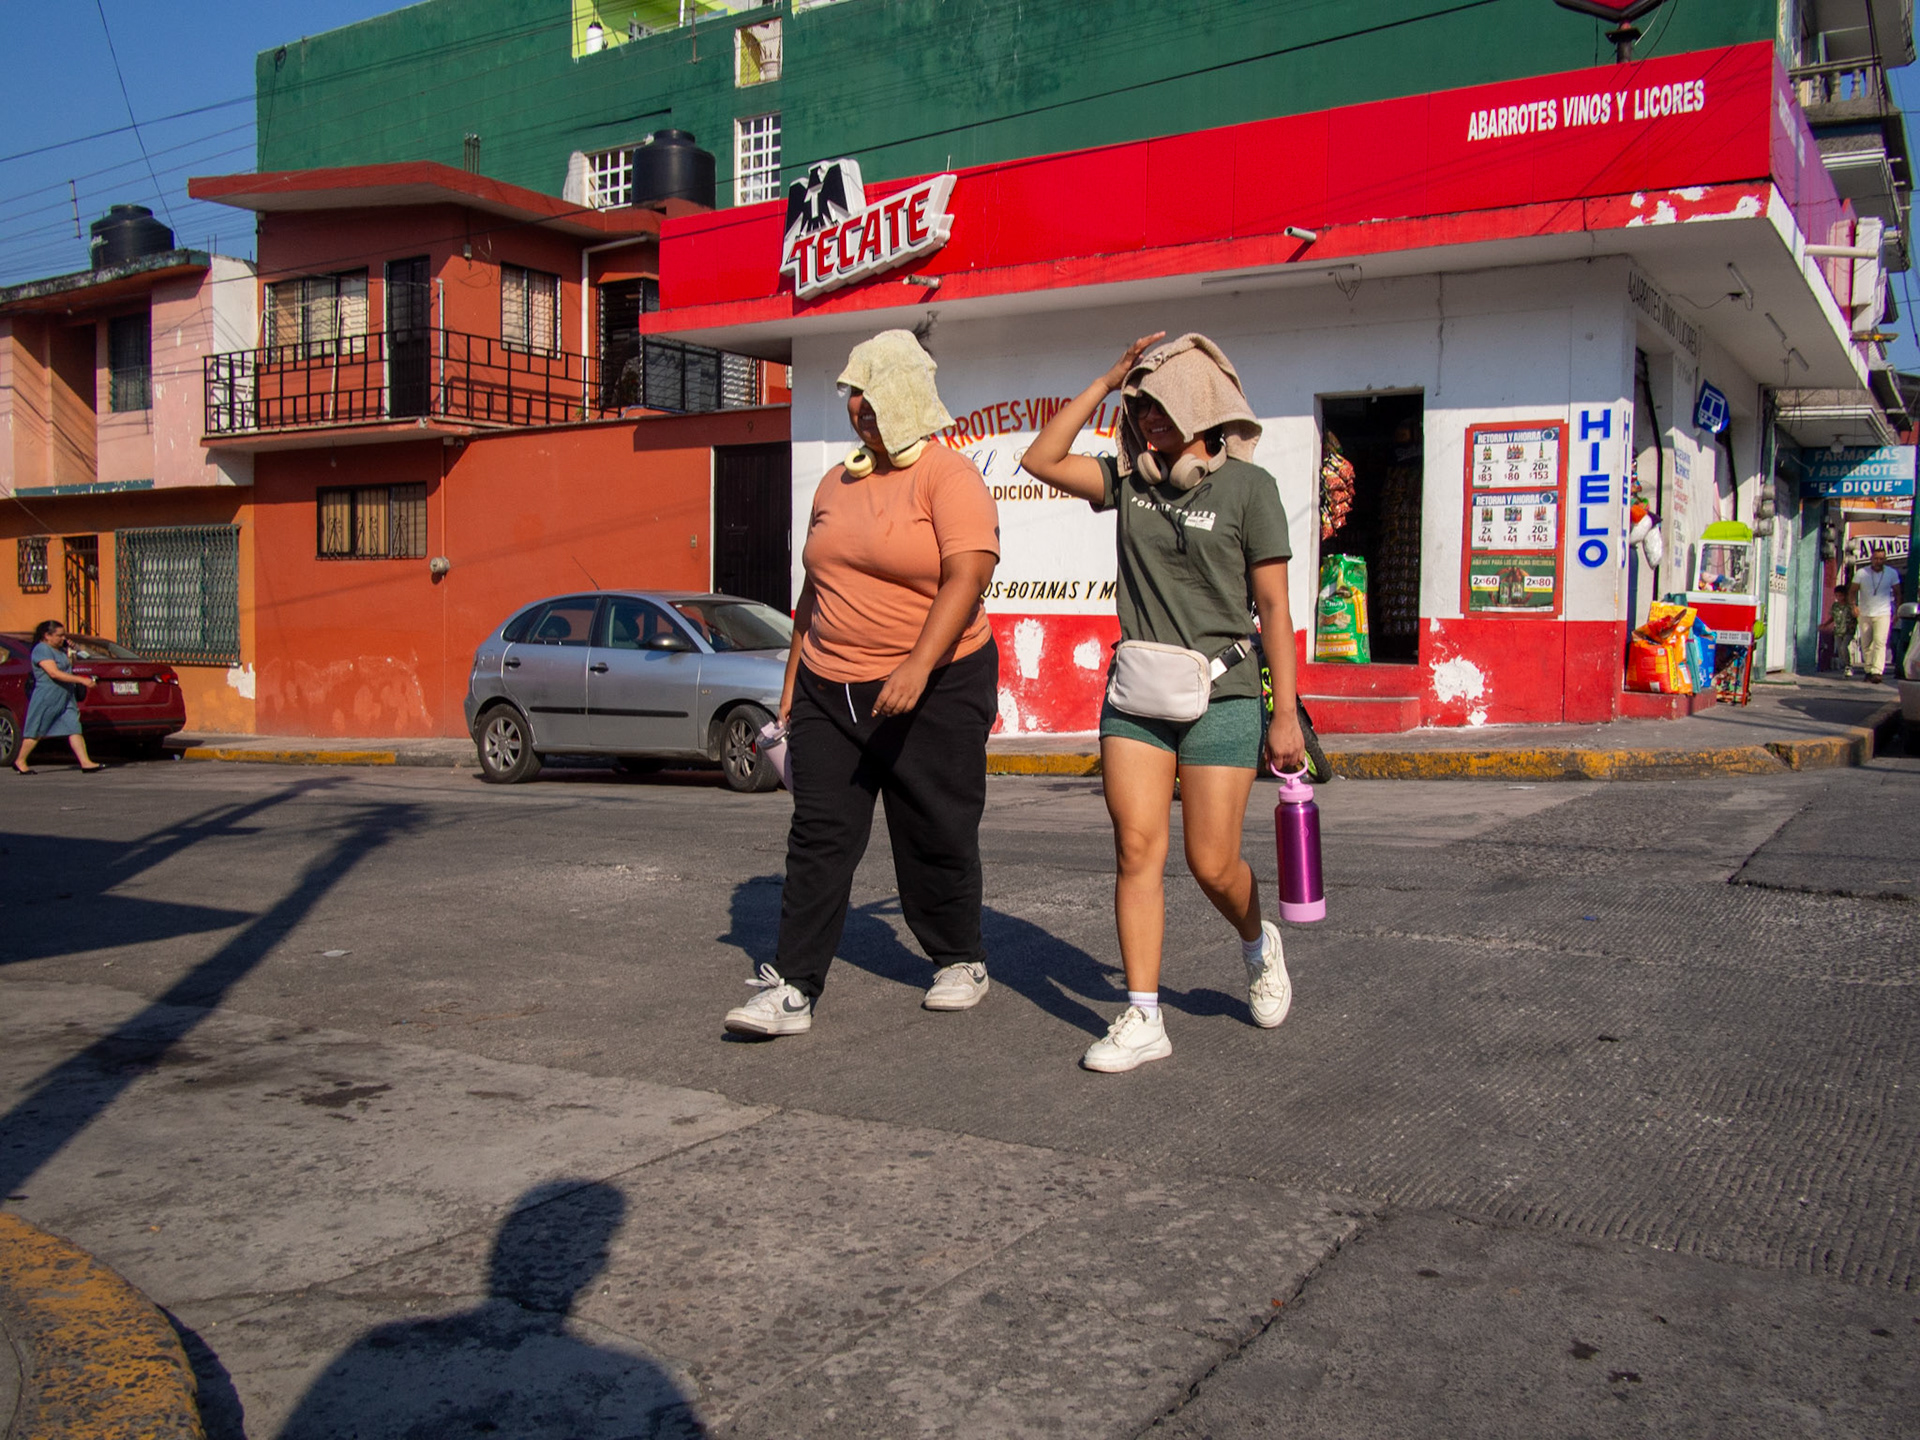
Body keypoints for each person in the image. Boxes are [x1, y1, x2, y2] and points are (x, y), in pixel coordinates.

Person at [1022, 332, 1305, 1073]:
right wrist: (1108, 377)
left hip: (1225, 692)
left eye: (1161, 406)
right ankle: (1144, 1017)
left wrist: (1284, 715)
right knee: (1136, 850)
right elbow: (1040, 459)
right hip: (1138, 693)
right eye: (1141, 407)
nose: (1148, 418)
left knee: (1212, 864)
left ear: (1202, 409)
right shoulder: (1129, 480)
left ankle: (1258, 942)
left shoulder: (1251, 490)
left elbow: (1275, 609)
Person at [724, 330, 1000, 1037]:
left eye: (875, 395)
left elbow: (967, 577)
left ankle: (959, 958)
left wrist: (917, 665)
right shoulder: (834, 483)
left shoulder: (948, 477)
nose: (861, 409)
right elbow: (814, 588)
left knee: (933, 825)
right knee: (819, 834)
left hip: (937, 684)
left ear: (910, 396)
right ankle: (793, 985)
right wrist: (792, 681)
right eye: (854, 395)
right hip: (829, 685)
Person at [13, 620, 103, 775]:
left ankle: (85, 762)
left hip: (65, 695)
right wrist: (81, 680)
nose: (63, 638)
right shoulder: (42, 649)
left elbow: (68, 667)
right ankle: (20, 761)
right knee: (37, 729)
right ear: (47, 635)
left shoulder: (60, 650)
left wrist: (72, 651)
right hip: (47, 696)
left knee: (74, 728)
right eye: (59, 635)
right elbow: (54, 673)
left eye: (64, 635)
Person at [1850, 545, 1903, 682]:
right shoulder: (1862, 573)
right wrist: (1853, 606)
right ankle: (1868, 669)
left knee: (1880, 642)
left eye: (1881, 559)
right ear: (1871, 559)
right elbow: (1852, 591)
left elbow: (1898, 593)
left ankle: (1877, 671)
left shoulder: (1891, 573)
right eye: (1876, 558)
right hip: (1865, 612)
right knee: (1866, 644)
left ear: (1885, 560)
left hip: (1883, 613)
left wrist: (1897, 611)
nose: (1878, 561)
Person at [1829, 576, 1857, 677]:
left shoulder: (1850, 605)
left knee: (1844, 647)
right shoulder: (1835, 606)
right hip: (1838, 630)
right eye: (1837, 595)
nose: (1839, 597)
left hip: (1848, 630)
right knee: (1840, 649)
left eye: (1841, 595)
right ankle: (1845, 665)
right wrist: (1825, 625)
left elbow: (1856, 615)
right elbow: (1832, 617)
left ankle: (1848, 666)